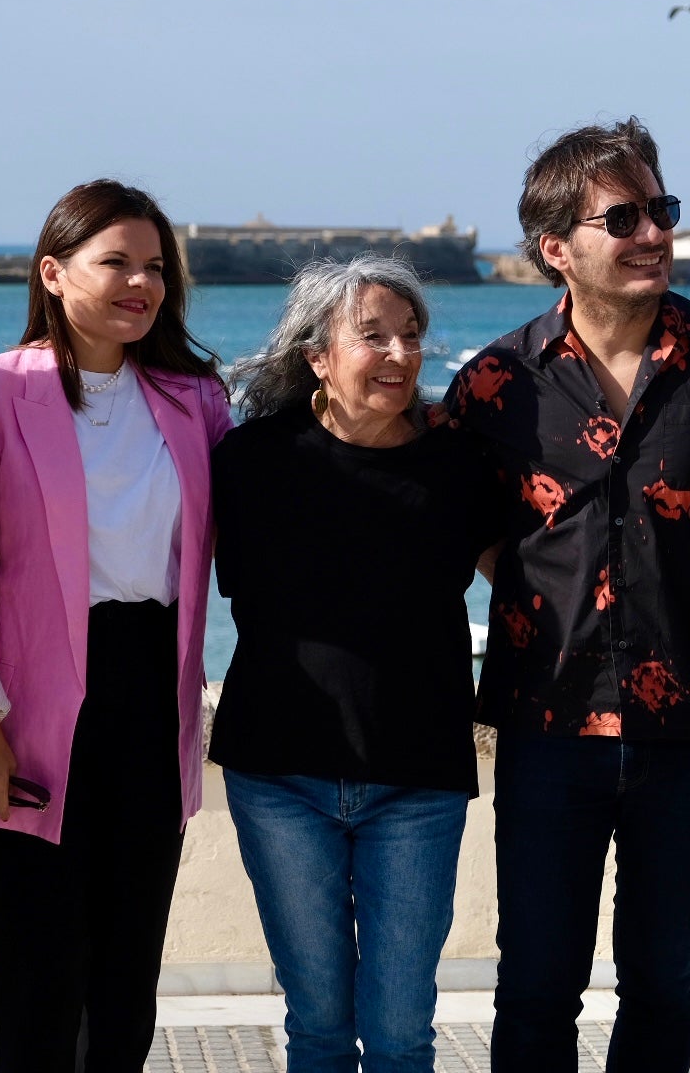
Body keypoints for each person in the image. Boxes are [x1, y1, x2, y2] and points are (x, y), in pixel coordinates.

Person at [446, 118, 690, 1072]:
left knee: (665, 987)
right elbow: (466, 528)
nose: (654, 234)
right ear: (556, 247)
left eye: (660, 210)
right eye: (622, 218)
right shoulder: (496, 385)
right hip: (547, 725)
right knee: (536, 988)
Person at [0, 180, 231, 1072]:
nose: (142, 284)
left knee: (127, 975)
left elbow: (268, 510)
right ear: (53, 273)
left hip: (153, 697)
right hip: (30, 711)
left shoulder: (195, 398)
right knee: (38, 972)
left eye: (155, 267)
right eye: (117, 263)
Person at [209, 254, 501, 1073]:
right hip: (279, 777)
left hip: (419, 780)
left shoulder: (458, 463)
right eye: (373, 336)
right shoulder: (249, 460)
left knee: (402, 1032)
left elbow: (529, 583)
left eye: (412, 335)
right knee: (319, 1026)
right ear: (317, 356)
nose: (401, 354)